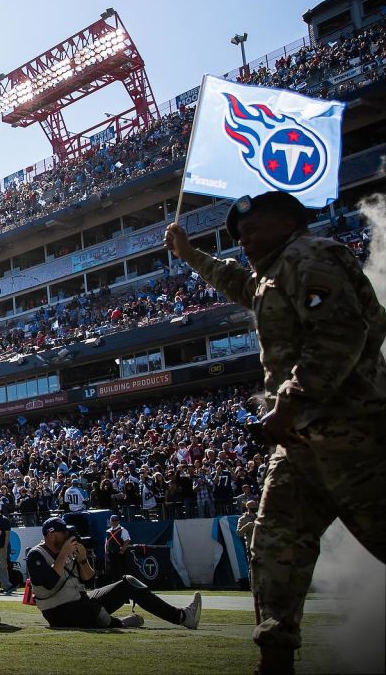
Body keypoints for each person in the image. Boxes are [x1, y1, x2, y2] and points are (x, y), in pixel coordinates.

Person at [167, 191, 386, 674]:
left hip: (352, 434)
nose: (245, 241)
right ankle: (275, 656)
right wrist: (190, 255)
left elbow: (339, 333)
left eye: (254, 230)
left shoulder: (311, 255)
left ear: (289, 221)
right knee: (273, 543)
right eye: (240, 236)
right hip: (303, 443)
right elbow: (238, 282)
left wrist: (290, 403)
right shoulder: (273, 273)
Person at [27, 518, 200, 630]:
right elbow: (49, 583)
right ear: (50, 534)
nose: (67, 535)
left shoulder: (66, 551)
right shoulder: (36, 554)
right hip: (58, 611)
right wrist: (64, 554)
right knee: (93, 610)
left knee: (128, 582)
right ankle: (120, 622)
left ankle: (182, 616)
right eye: (63, 532)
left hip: (80, 600)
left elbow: (87, 577)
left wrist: (82, 559)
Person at [103, 515, 132, 585]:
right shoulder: (108, 531)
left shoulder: (123, 530)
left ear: (118, 521)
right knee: (112, 572)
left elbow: (127, 541)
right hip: (110, 555)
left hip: (119, 554)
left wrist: (122, 551)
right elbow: (107, 542)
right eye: (112, 520)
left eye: (116, 520)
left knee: (121, 572)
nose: (114, 522)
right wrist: (106, 551)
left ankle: (123, 586)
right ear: (110, 522)